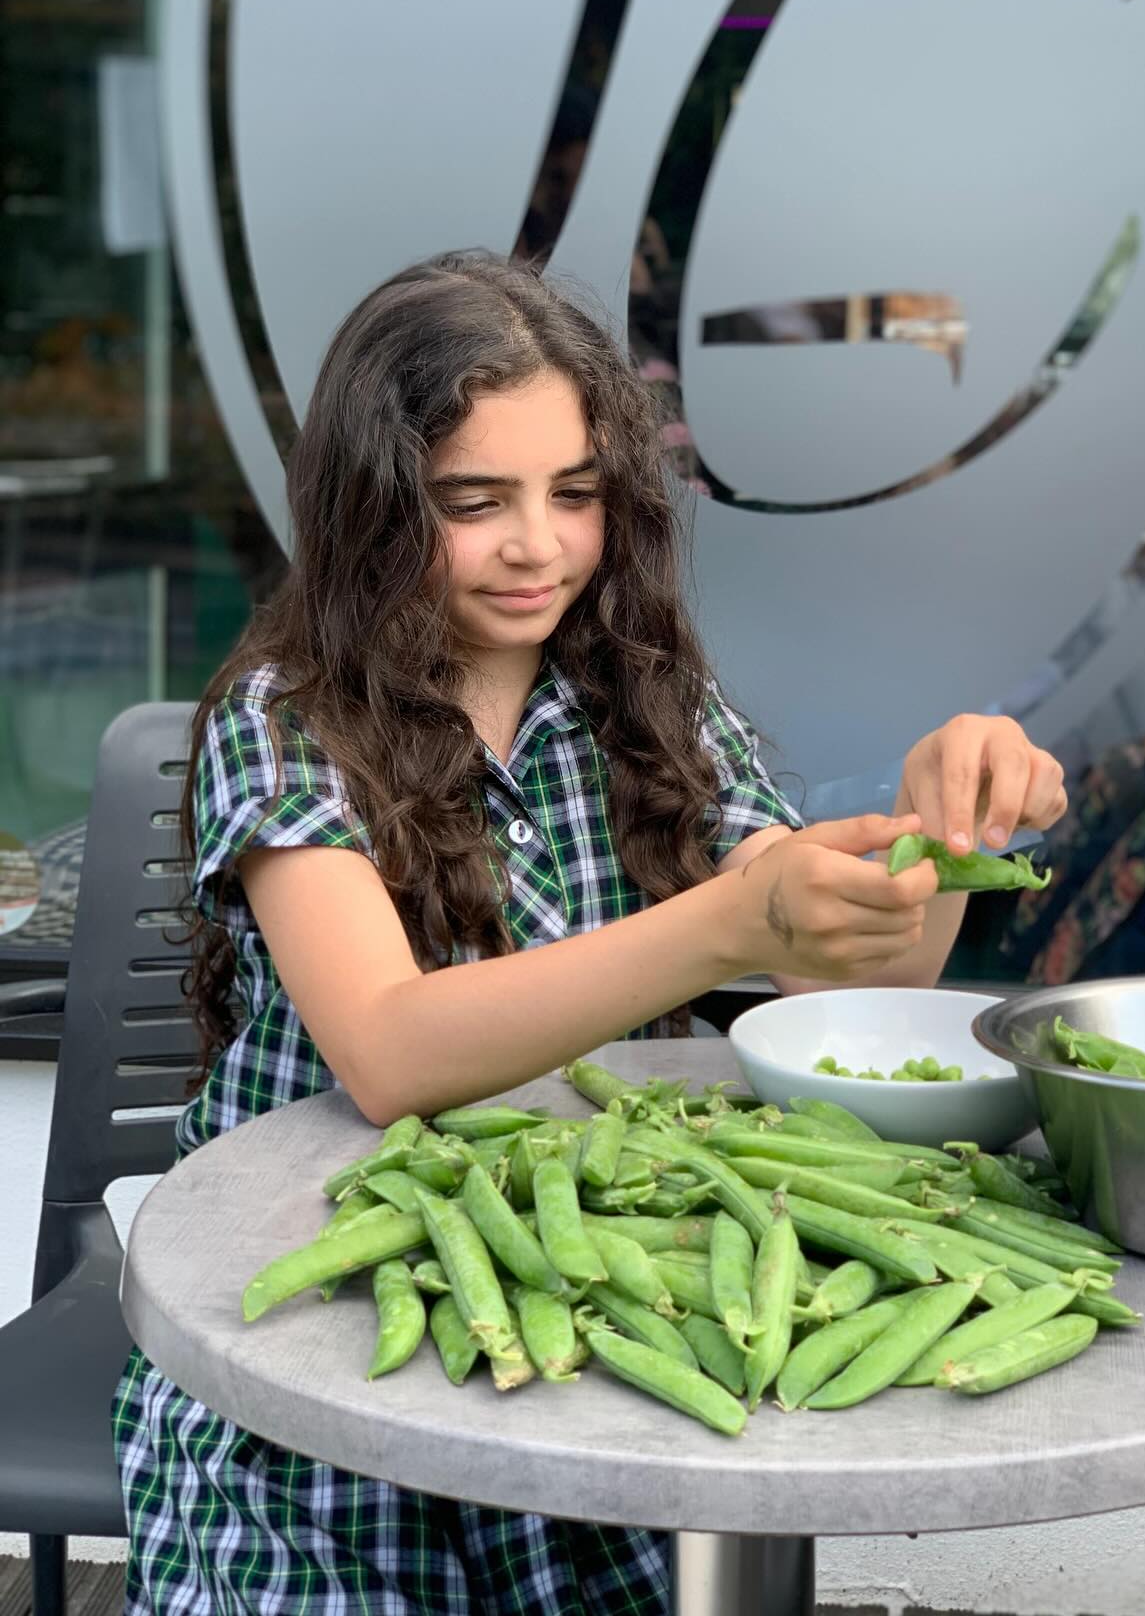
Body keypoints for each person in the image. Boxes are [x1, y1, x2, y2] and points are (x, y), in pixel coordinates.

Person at [112, 249, 1067, 1615]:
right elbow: (387, 1052)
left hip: (584, 1329)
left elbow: (843, 971)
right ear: (371, 509)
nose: (537, 546)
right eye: (472, 502)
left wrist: (950, 835)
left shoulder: (645, 692)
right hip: (317, 1358)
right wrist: (725, 916)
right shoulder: (288, 720)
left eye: (574, 495)